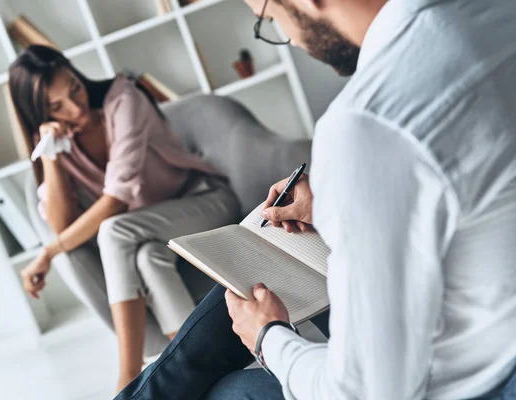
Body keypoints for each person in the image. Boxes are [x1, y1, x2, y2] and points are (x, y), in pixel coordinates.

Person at [114, 0, 516, 398]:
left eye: (271, 20)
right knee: (240, 293)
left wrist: (267, 338)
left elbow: (366, 393)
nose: (288, 38)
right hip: (490, 315)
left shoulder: (366, 122)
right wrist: (340, 202)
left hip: (482, 380)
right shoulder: (495, 13)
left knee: (228, 391)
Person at [8, 45, 240, 391]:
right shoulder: (58, 140)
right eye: (57, 106)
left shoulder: (123, 98)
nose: (76, 106)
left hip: (205, 202)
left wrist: (47, 253)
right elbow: (61, 225)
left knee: (114, 230)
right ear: (40, 113)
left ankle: (128, 377)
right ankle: (197, 371)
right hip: (151, 235)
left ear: (78, 74)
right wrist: (52, 157)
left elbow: (116, 202)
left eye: (74, 87)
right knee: (147, 257)